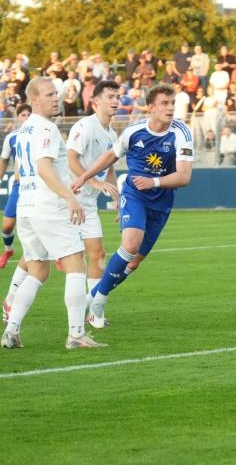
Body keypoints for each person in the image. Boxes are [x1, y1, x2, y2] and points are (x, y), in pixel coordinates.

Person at [70, 84, 195, 329]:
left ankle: (91, 296)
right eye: (164, 104)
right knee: (130, 243)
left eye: (172, 104)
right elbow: (110, 156)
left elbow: (184, 176)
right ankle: (100, 301)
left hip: (161, 200)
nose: (170, 108)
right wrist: (85, 177)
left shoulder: (182, 132)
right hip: (135, 193)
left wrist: (154, 181)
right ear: (151, 107)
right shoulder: (134, 131)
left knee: (134, 261)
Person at [1, 78, 104, 349]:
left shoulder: (24, 130)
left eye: (55, 94)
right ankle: (76, 333)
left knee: (38, 269)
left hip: (26, 206)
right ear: (34, 99)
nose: (55, 98)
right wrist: (70, 197)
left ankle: (11, 331)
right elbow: (45, 168)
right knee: (75, 264)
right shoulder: (46, 128)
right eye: (48, 95)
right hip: (48, 206)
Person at [66, 81, 121, 329]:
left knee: (98, 255)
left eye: (117, 96)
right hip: (67, 202)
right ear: (96, 101)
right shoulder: (84, 126)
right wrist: (95, 183)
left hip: (88, 205)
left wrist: (118, 200)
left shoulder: (112, 135)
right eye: (110, 96)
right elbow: (71, 160)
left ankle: (93, 312)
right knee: (40, 259)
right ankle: (13, 301)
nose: (116, 101)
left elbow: (110, 170)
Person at [0, 104, 31, 268]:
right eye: (23, 115)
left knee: (42, 224)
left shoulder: (40, 135)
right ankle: (8, 250)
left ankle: (61, 257)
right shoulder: (11, 138)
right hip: (19, 186)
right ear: (18, 117)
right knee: (6, 226)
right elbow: (4, 161)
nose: (26, 118)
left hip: (37, 186)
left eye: (29, 115)